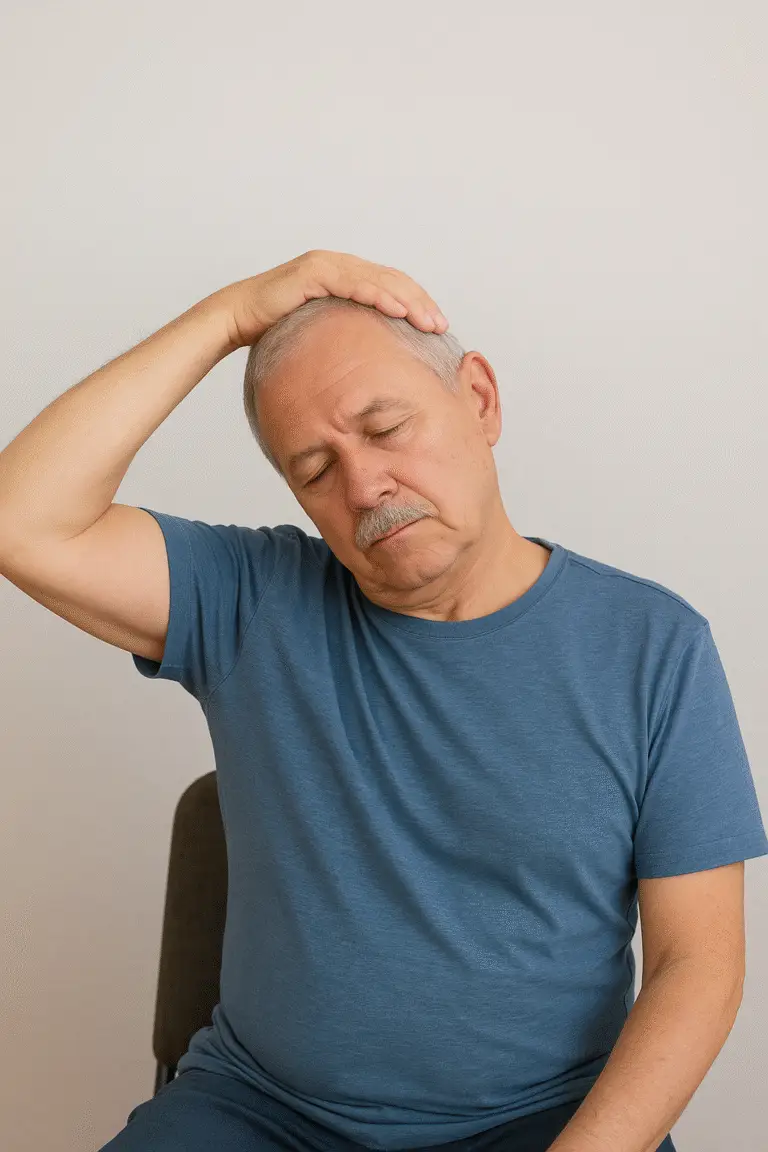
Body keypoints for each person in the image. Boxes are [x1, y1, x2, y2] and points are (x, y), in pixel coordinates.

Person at [1, 251, 765, 1152]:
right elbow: (24, 519)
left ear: (478, 400)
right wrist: (230, 315)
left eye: (386, 428)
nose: (364, 487)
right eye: (316, 468)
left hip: (545, 1122)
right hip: (261, 1113)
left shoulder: (654, 645)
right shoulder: (255, 597)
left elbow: (697, 965)